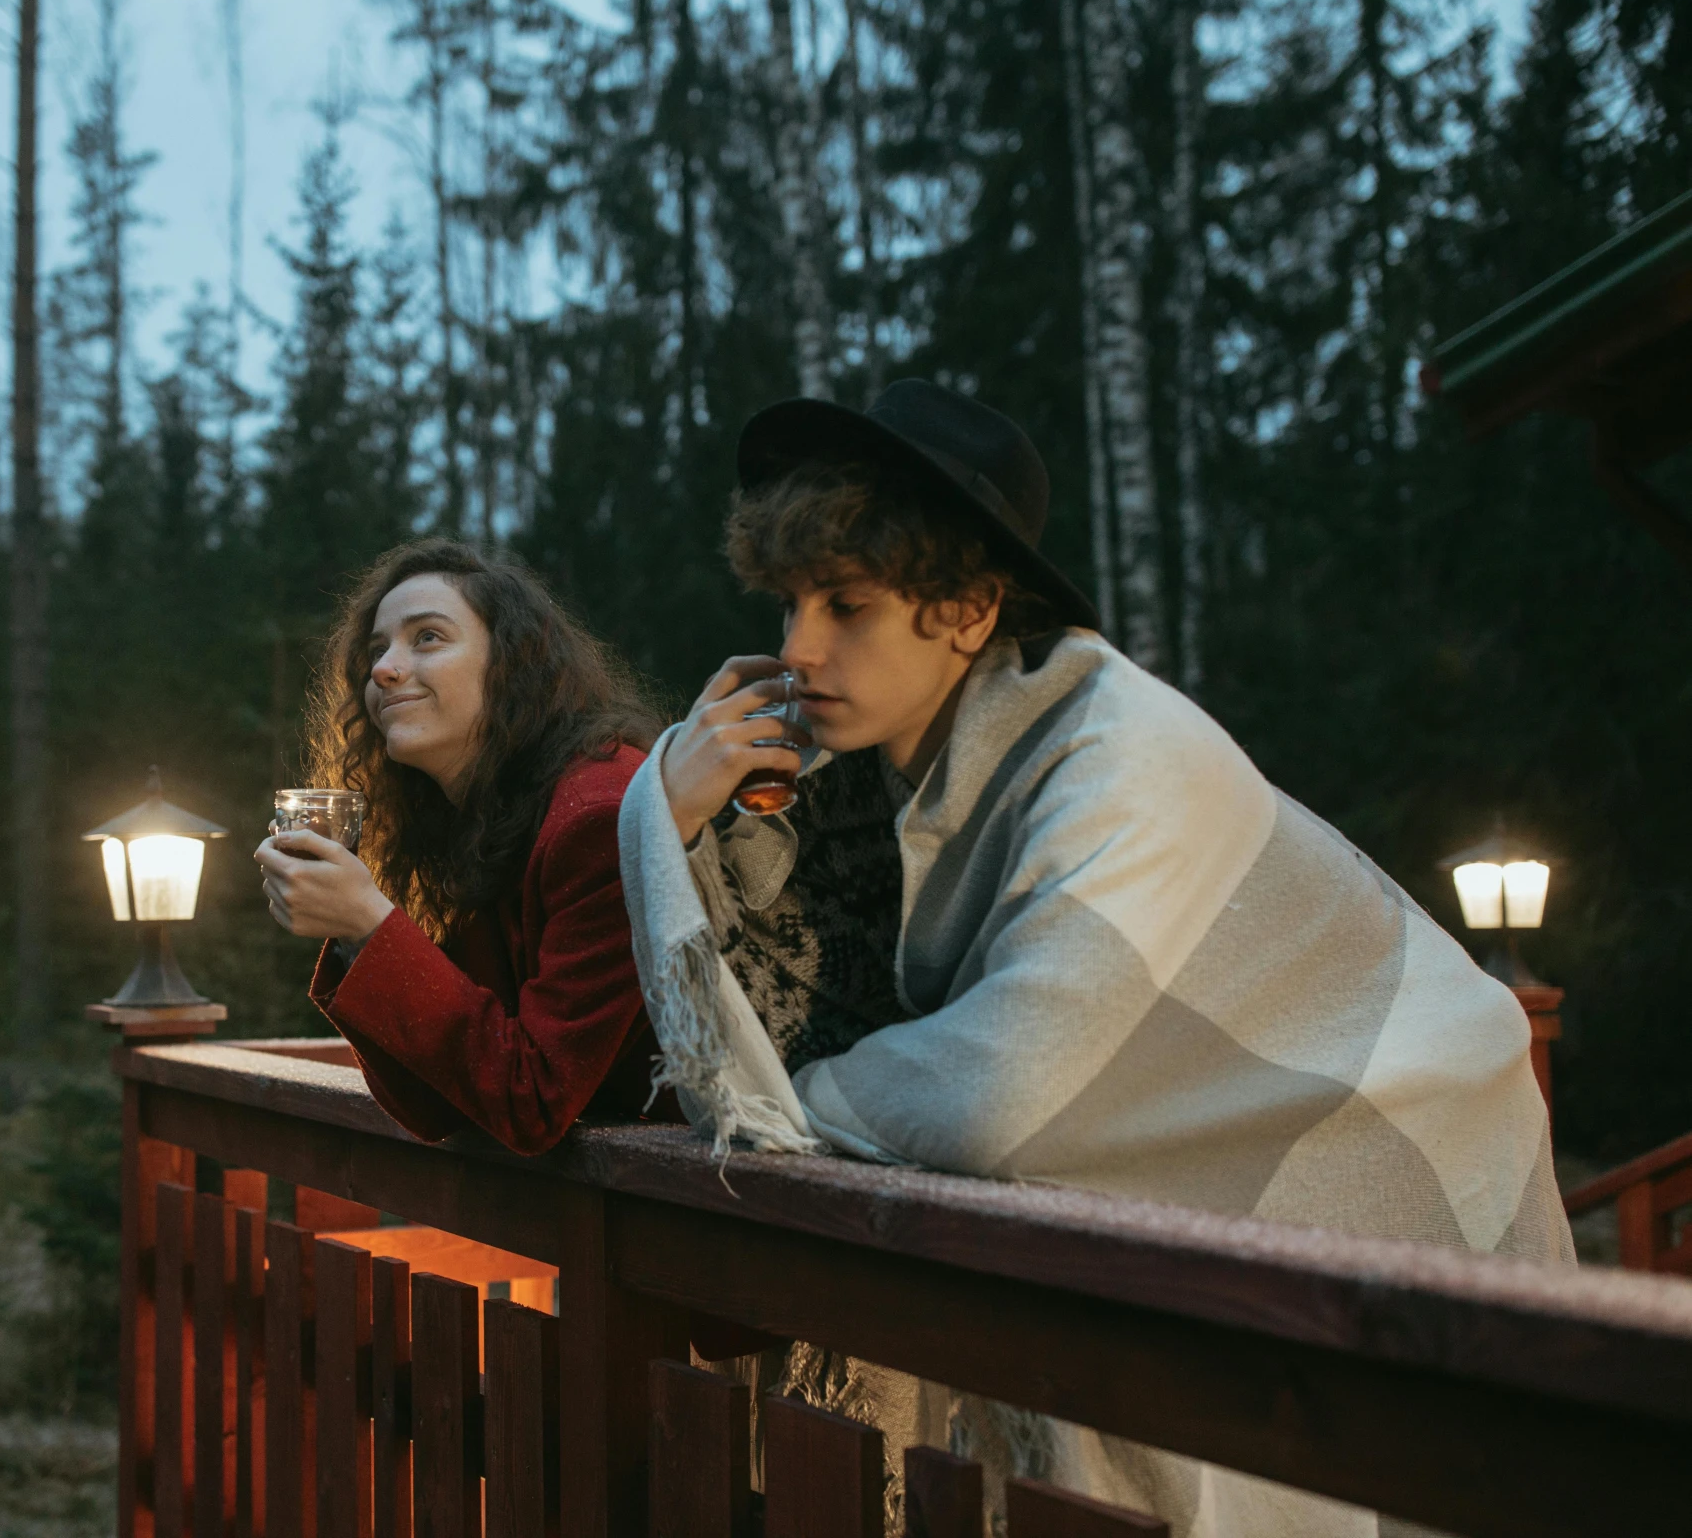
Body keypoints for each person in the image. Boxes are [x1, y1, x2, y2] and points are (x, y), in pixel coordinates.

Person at [617, 379, 1570, 1537]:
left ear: (967, 611)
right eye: (789, 604)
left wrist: (783, 1106)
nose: (797, 647)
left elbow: (1005, 1088)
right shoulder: (886, 770)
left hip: (1392, 1133)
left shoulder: (1120, 754)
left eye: (847, 605)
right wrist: (663, 803)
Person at [255, 538, 669, 1155]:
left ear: (514, 662)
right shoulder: (490, 819)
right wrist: (351, 932)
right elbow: (442, 1102)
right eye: (377, 649)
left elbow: (530, 1099)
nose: (383, 669)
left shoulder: (600, 816)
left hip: (725, 1213)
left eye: (427, 637)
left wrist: (368, 923)